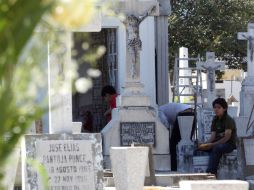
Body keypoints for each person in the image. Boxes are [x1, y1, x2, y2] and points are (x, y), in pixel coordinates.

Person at [198, 98, 237, 176]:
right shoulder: (215, 119)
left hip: (229, 144)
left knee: (217, 148)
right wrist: (204, 144)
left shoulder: (228, 120)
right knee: (199, 148)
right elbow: (212, 136)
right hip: (218, 143)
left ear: (224, 109)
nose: (216, 109)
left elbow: (226, 138)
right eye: (215, 107)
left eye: (219, 107)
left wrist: (213, 145)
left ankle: (211, 173)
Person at [159, 103, 196, 171]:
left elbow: (165, 125)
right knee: (187, 141)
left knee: (173, 144)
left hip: (183, 114)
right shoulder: (165, 108)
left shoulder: (159, 111)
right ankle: (187, 166)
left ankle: (174, 167)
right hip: (193, 113)